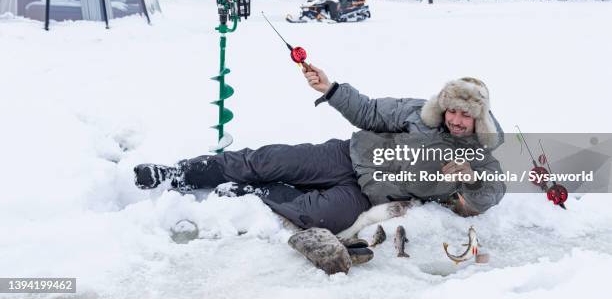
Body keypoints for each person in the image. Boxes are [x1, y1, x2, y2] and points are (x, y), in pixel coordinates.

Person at [134, 65, 506, 235]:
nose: (456, 120)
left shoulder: (480, 155)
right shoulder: (419, 114)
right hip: (347, 155)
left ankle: (253, 193)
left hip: (368, 193)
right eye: (452, 110)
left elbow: (492, 193)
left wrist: (471, 182)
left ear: (479, 120)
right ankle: (180, 173)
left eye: (466, 115)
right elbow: (371, 111)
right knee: (270, 159)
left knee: (318, 217)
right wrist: (331, 90)